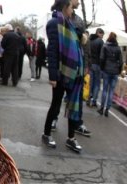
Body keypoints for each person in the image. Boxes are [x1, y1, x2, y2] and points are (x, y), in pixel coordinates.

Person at [42, 0, 85, 153]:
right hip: (61, 73)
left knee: (74, 105)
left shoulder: (69, 24)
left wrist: (82, 36)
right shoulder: (54, 23)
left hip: (74, 74)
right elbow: (52, 51)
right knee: (55, 105)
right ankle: (46, 134)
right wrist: (53, 76)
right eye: (71, 8)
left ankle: (71, 138)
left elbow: (76, 41)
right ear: (64, 7)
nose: (72, 11)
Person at [98, 32, 123, 117]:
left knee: (105, 90)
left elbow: (101, 58)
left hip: (106, 70)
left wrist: (102, 68)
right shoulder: (118, 48)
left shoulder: (105, 46)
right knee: (111, 91)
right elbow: (121, 62)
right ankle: (107, 109)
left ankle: (101, 108)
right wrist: (119, 71)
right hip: (115, 71)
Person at [88, 28, 105, 107]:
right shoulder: (100, 41)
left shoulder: (90, 40)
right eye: (102, 34)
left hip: (91, 64)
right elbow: (102, 55)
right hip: (98, 64)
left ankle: (89, 98)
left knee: (91, 82)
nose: (102, 36)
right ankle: (94, 100)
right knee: (97, 84)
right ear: (99, 33)